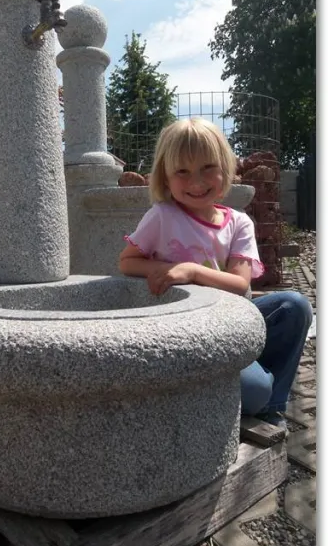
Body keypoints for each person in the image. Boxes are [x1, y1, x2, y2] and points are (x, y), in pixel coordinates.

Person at [119, 118, 312, 430]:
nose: (196, 181)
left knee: (295, 306)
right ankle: (256, 389)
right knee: (254, 391)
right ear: (166, 179)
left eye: (207, 167)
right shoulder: (162, 216)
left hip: (234, 320)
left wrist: (192, 271)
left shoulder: (238, 222)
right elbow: (128, 262)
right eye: (182, 171)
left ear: (225, 169)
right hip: (190, 331)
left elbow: (239, 284)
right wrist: (166, 271)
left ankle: (271, 404)